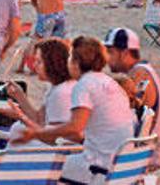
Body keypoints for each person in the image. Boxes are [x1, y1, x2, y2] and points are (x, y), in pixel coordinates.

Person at [13, 36, 136, 184]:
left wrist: (36, 133)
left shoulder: (85, 85)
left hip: (98, 167)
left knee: (26, 163)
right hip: (120, 165)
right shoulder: (108, 82)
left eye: (70, 57)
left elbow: (75, 127)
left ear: (76, 63)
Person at [104, 27, 160, 164]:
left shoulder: (139, 75)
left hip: (149, 153)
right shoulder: (144, 70)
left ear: (124, 53)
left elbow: (123, 114)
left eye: (110, 52)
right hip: (156, 146)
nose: (106, 58)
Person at [0, 39, 75, 145]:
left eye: (39, 62)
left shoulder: (61, 93)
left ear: (52, 64)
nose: (34, 66)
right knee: (18, 128)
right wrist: (20, 96)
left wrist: (20, 116)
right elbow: (38, 118)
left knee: (18, 130)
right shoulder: (55, 87)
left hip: (59, 150)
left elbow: (53, 139)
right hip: (53, 143)